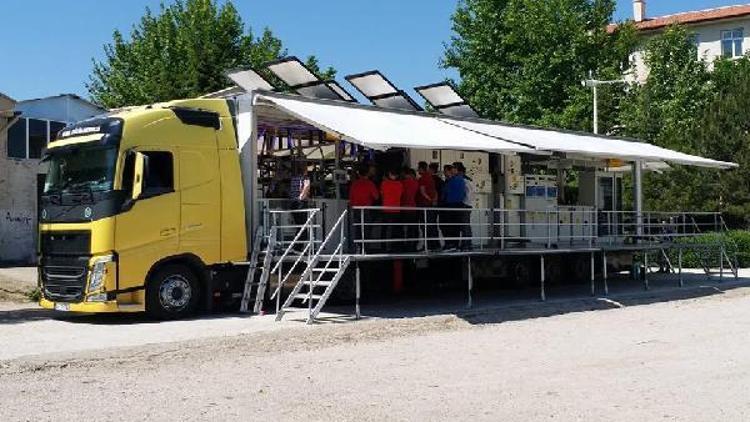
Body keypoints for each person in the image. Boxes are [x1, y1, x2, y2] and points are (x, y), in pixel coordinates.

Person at [349, 166, 380, 252]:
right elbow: (376, 197)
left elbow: (351, 198)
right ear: (367, 173)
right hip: (366, 209)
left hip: (355, 209)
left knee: (357, 229)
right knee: (366, 229)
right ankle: (365, 248)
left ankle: (357, 247)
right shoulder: (370, 184)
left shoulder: (354, 184)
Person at [442, 164, 467, 251]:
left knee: (451, 225)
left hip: (452, 204)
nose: (452, 170)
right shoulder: (461, 180)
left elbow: (446, 191)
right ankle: (454, 244)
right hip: (458, 204)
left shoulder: (453, 180)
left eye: (453, 168)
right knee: (455, 225)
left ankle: (452, 244)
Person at [417, 161, 439, 251]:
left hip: (425, 205)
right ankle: (434, 245)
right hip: (431, 205)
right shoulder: (430, 178)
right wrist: (434, 200)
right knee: (432, 225)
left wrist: (429, 200)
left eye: (418, 168)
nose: (418, 170)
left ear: (422, 169)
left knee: (425, 226)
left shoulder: (423, 178)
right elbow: (435, 191)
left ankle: (429, 246)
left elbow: (422, 191)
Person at [380, 169, 404, 252]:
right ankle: (395, 247)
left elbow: (382, 195)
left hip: (386, 209)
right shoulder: (400, 184)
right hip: (396, 210)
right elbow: (401, 195)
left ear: (389, 174)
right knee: (396, 229)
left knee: (385, 229)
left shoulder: (384, 184)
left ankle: (384, 247)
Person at [290, 163, 312, 251]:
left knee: (299, 226)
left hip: (293, 203)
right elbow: (306, 188)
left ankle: (296, 246)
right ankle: (298, 247)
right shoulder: (305, 178)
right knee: (303, 227)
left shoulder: (293, 179)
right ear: (305, 170)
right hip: (301, 203)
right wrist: (302, 197)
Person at [453, 162, 474, 250]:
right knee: (465, 225)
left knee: (464, 225)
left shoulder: (463, 180)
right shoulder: (467, 179)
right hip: (468, 204)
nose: (453, 170)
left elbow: (463, 193)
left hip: (465, 204)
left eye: (454, 168)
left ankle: (466, 244)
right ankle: (467, 243)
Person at [401, 167, 420, 251]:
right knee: (412, 227)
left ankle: (405, 244)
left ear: (406, 174)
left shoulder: (402, 183)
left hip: (403, 207)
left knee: (403, 227)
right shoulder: (416, 183)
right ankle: (413, 244)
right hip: (413, 207)